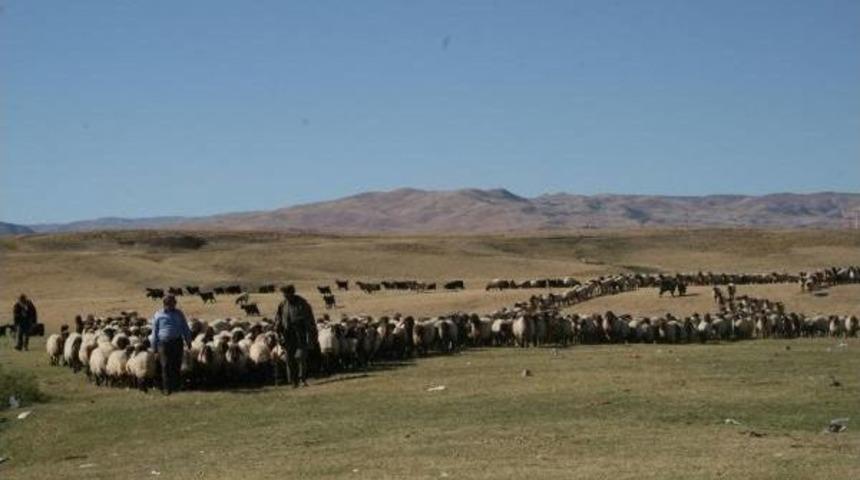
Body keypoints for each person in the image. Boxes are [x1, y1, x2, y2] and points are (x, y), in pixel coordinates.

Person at [274, 285, 318, 388]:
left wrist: (311, 335)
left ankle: (302, 378)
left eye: (286, 293)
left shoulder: (302, 303)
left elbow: (309, 320)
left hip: (300, 333)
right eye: (284, 294)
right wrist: (277, 328)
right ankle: (293, 381)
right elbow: (278, 318)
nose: (285, 296)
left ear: (292, 293)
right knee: (289, 358)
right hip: (287, 334)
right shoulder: (283, 304)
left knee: (300, 357)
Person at [149, 295, 192, 395]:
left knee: (176, 364)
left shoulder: (179, 313)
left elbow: (184, 327)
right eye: (172, 303)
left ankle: (176, 387)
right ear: (166, 304)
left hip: (177, 341)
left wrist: (188, 340)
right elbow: (155, 331)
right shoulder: (158, 315)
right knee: (165, 365)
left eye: (174, 303)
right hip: (163, 343)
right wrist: (154, 347)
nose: (174, 305)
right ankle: (167, 388)